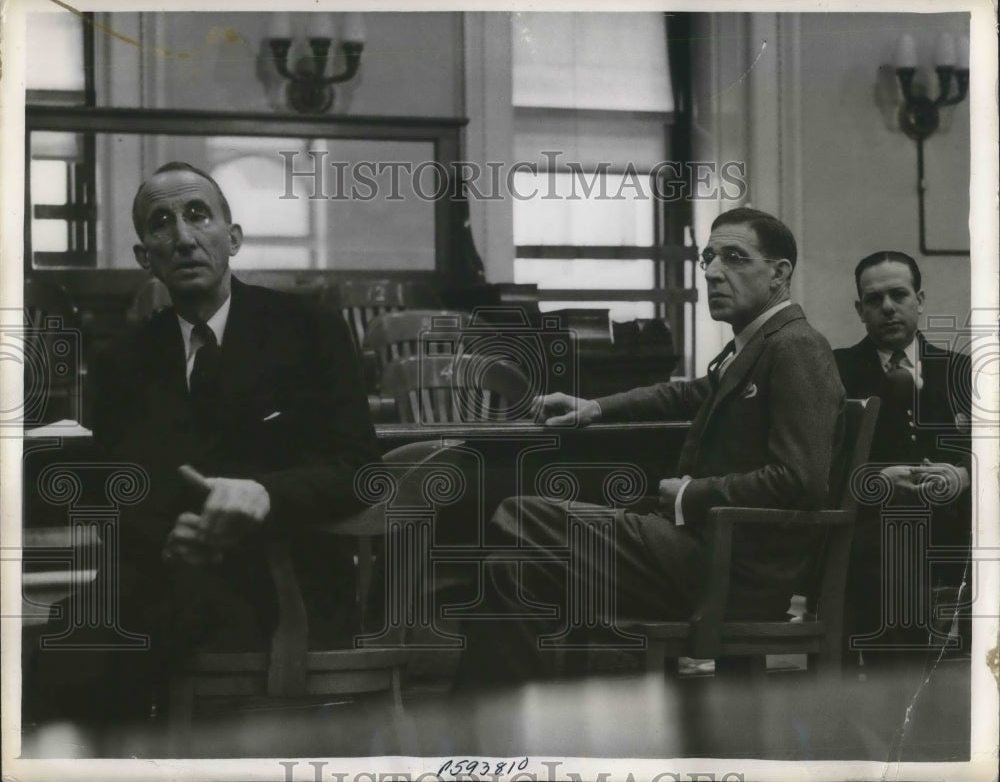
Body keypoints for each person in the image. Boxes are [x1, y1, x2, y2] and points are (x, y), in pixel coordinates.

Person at [26, 162, 380, 725]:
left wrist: (265, 495)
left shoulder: (308, 330)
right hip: (166, 575)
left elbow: (362, 471)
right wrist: (167, 538)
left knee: (89, 650)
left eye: (198, 215)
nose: (184, 236)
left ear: (232, 238)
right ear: (146, 256)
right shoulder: (123, 361)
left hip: (285, 574)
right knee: (60, 647)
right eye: (161, 223)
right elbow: (119, 490)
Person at [452, 208, 845, 689]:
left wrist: (690, 495)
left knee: (520, 511)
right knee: (508, 572)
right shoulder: (754, 347)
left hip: (729, 568)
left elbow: (801, 481)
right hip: (700, 556)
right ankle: (495, 738)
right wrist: (594, 406)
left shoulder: (796, 347)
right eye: (708, 258)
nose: (713, 272)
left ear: (779, 273)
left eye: (735, 258)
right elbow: (684, 393)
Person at [834, 251, 972, 665]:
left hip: (957, 522)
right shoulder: (834, 373)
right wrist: (878, 478)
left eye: (898, 294)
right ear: (860, 310)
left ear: (920, 299)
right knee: (897, 543)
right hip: (873, 523)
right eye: (874, 300)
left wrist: (963, 475)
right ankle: (897, 699)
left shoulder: (962, 372)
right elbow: (822, 460)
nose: (888, 307)